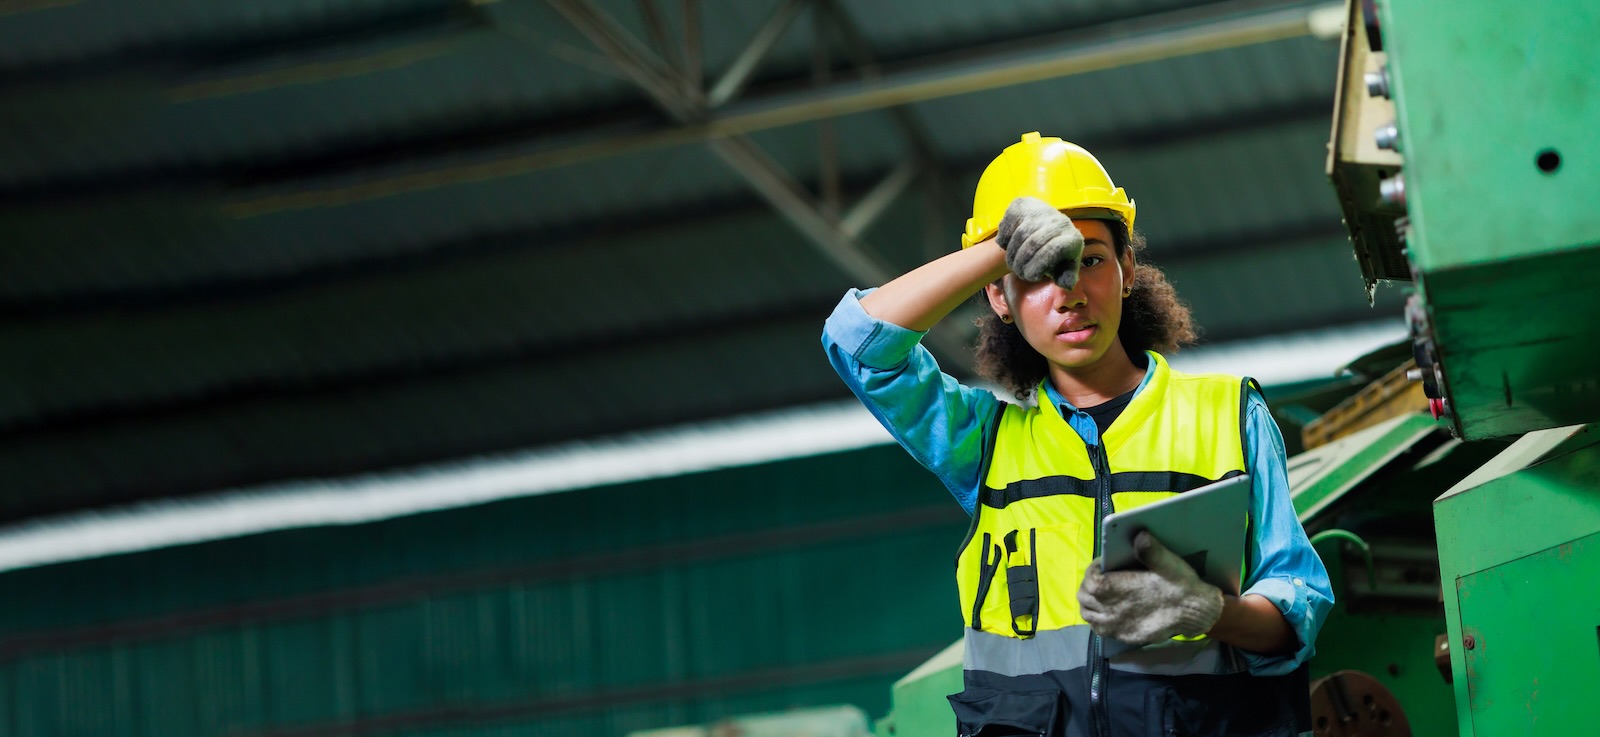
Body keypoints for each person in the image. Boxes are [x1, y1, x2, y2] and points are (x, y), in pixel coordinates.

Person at [821, 132, 1332, 736]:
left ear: (1128, 271)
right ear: (999, 296)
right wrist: (995, 250)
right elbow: (856, 342)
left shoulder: (1227, 416)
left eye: (1090, 259)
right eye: (1033, 271)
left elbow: (1298, 601)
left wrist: (1211, 612)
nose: (1068, 292)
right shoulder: (981, 444)